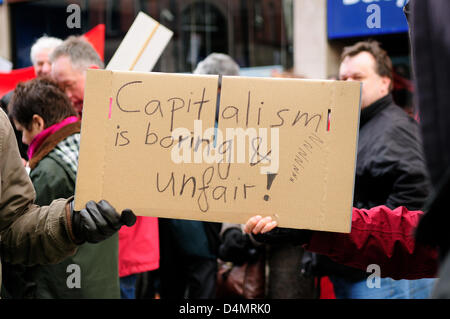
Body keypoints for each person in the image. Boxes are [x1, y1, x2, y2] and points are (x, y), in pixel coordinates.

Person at [246, 40, 436, 299]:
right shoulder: (351, 127)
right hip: (351, 265)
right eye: (342, 77)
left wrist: (358, 234)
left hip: (377, 276)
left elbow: (415, 202)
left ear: (385, 82)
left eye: (357, 77)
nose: (347, 84)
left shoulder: (395, 129)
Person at [50, 36, 160, 299]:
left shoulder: (127, 114)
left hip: (121, 247)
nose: (65, 96)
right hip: (104, 247)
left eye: (68, 86)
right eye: (58, 88)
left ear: (94, 74)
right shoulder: (84, 116)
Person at [3, 77, 121, 298]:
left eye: (21, 131)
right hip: (100, 284)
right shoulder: (94, 150)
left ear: (38, 123)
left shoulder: (49, 171)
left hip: (64, 287)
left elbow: (27, 241)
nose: (24, 140)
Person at [0, 35, 62, 161]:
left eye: (50, 63)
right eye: (40, 63)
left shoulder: (72, 98)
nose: (45, 69)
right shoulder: (11, 100)